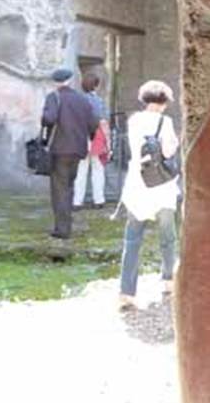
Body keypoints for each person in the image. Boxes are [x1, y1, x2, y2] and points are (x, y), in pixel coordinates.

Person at [118, 80, 180, 310]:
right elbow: (168, 151)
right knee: (167, 237)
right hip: (161, 187)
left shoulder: (134, 121)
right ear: (164, 102)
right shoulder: (166, 122)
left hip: (137, 185)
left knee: (132, 239)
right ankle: (168, 280)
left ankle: (126, 292)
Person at [41, 67, 98, 239]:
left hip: (59, 149)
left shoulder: (54, 97)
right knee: (70, 186)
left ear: (55, 82)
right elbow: (93, 123)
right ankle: (67, 225)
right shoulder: (82, 99)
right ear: (70, 81)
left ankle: (62, 229)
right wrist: (89, 137)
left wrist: (44, 117)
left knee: (59, 189)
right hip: (78, 149)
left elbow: (49, 119)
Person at [73, 72, 110, 210]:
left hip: (81, 137)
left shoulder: (77, 100)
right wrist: (108, 141)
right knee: (98, 169)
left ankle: (77, 201)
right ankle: (98, 200)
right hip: (97, 137)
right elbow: (104, 120)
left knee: (81, 171)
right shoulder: (99, 101)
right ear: (96, 85)